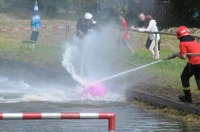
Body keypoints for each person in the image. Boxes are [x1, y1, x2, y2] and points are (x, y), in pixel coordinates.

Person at [167, 25, 200, 103]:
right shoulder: (193, 40)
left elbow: (184, 57)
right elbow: (188, 52)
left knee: (184, 77)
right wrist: (175, 54)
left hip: (194, 64)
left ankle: (187, 97)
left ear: (179, 35)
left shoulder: (182, 43)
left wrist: (176, 55)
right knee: (199, 80)